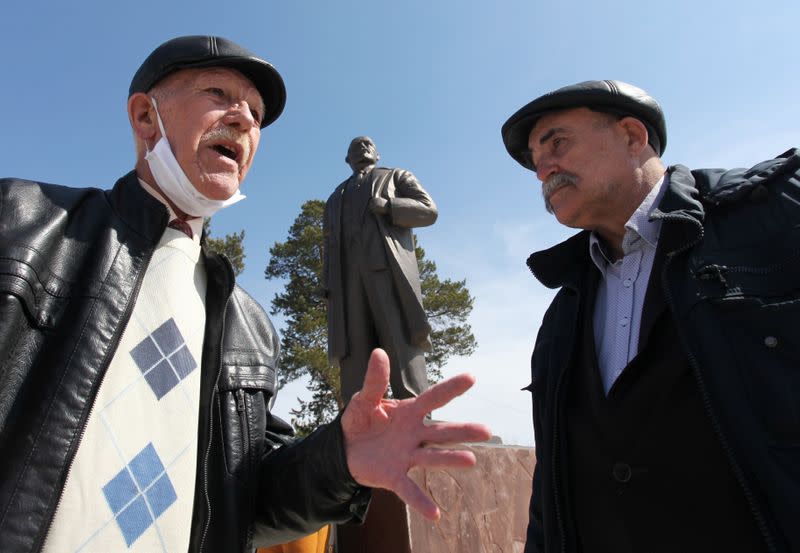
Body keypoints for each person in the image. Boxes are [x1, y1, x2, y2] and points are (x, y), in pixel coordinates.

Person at [0, 35, 491, 553]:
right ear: (146, 117)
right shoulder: (21, 227)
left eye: (255, 113)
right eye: (218, 94)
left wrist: (340, 458)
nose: (244, 120)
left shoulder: (249, 328)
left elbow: (244, 501)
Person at [500, 80, 800, 553]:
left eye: (557, 143)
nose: (544, 170)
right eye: (537, 162)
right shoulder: (560, 318)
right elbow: (551, 495)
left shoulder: (778, 210)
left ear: (633, 136)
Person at [323, 137, 437, 402]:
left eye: (368, 144)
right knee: (354, 348)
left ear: (377, 153)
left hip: (387, 273)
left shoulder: (396, 177)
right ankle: (358, 417)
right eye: (355, 145)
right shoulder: (334, 199)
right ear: (346, 159)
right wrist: (327, 281)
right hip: (348, 282)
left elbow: (429, 210)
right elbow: (329, 242)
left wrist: (391, 207)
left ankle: (414, 412)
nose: (363, 147)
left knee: (400, 340)